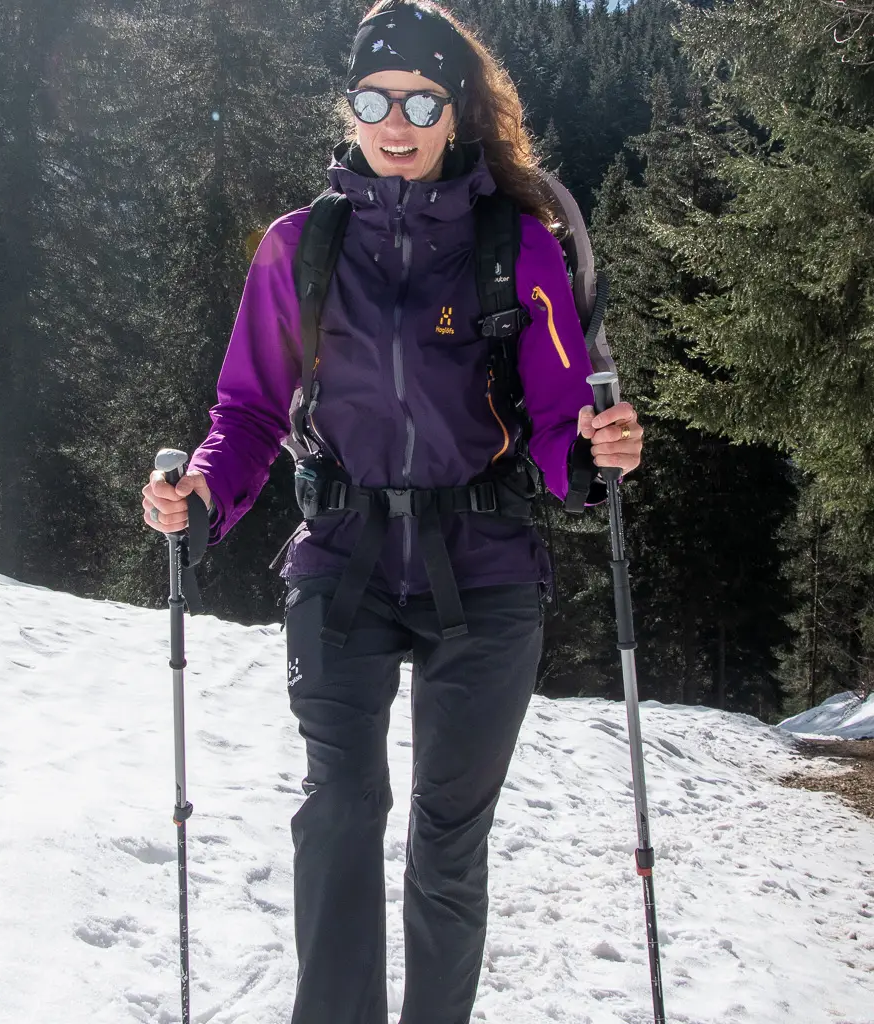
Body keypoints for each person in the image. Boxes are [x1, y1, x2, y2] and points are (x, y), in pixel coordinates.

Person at [142, 3, 644, 1021]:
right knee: (339, 810)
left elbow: (560, 418)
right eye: (375, 101)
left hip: (486, 568)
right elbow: (246, 410)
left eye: (420, 101)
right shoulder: (301, 247)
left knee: (448, 839)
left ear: (456, 111)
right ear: (351, 108)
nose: (397, 123)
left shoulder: (519, 247)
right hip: (343, 561)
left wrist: (596, 453)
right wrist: (201, 490)